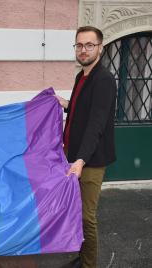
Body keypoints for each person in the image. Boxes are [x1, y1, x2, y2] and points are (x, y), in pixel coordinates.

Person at [55, 26, 117, 268]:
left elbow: (96, 124)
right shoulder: (82, 77)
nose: (83, 50)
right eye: (79, 45)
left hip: (90, 160)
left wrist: (80, 160)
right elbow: (83, 109)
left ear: (100, 48)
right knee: (75, 214)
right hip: (75, 157)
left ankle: (89, 265)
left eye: (89, 45)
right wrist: (65, 104)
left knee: (86, 218)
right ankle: (82, 257)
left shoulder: (104, 79)